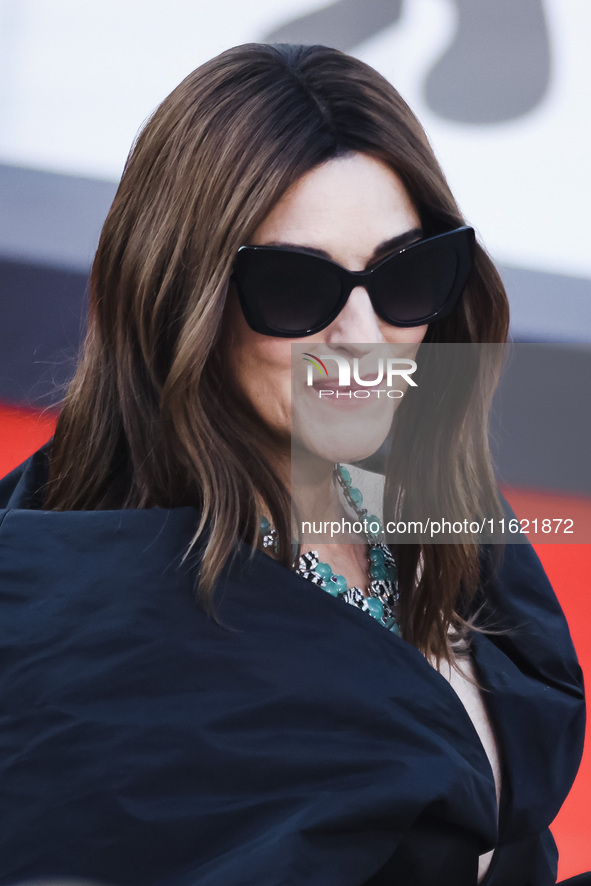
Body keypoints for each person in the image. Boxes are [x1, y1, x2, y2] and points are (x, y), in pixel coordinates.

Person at [0, 43, 586, 886]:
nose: (362, 339)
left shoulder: (425, 501)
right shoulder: (80, 639)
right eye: (294, 290)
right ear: (177, 300)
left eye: (405, 274)